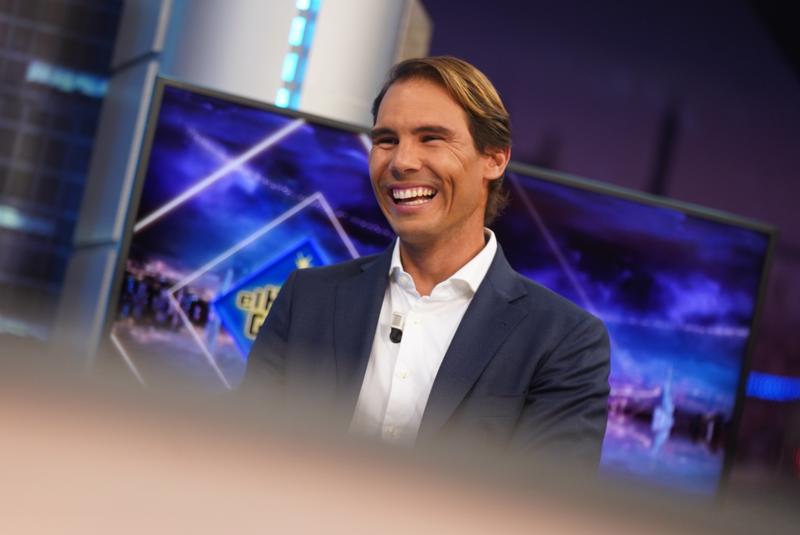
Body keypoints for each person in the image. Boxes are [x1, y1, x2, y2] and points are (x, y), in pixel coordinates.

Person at [245, 56, 610, 464]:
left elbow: (543, 498)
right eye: (386, 140)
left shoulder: (565, 341)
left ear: (494, 158)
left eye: (431, 138)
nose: (401, 162)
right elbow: (243, 457)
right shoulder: (307, 298)